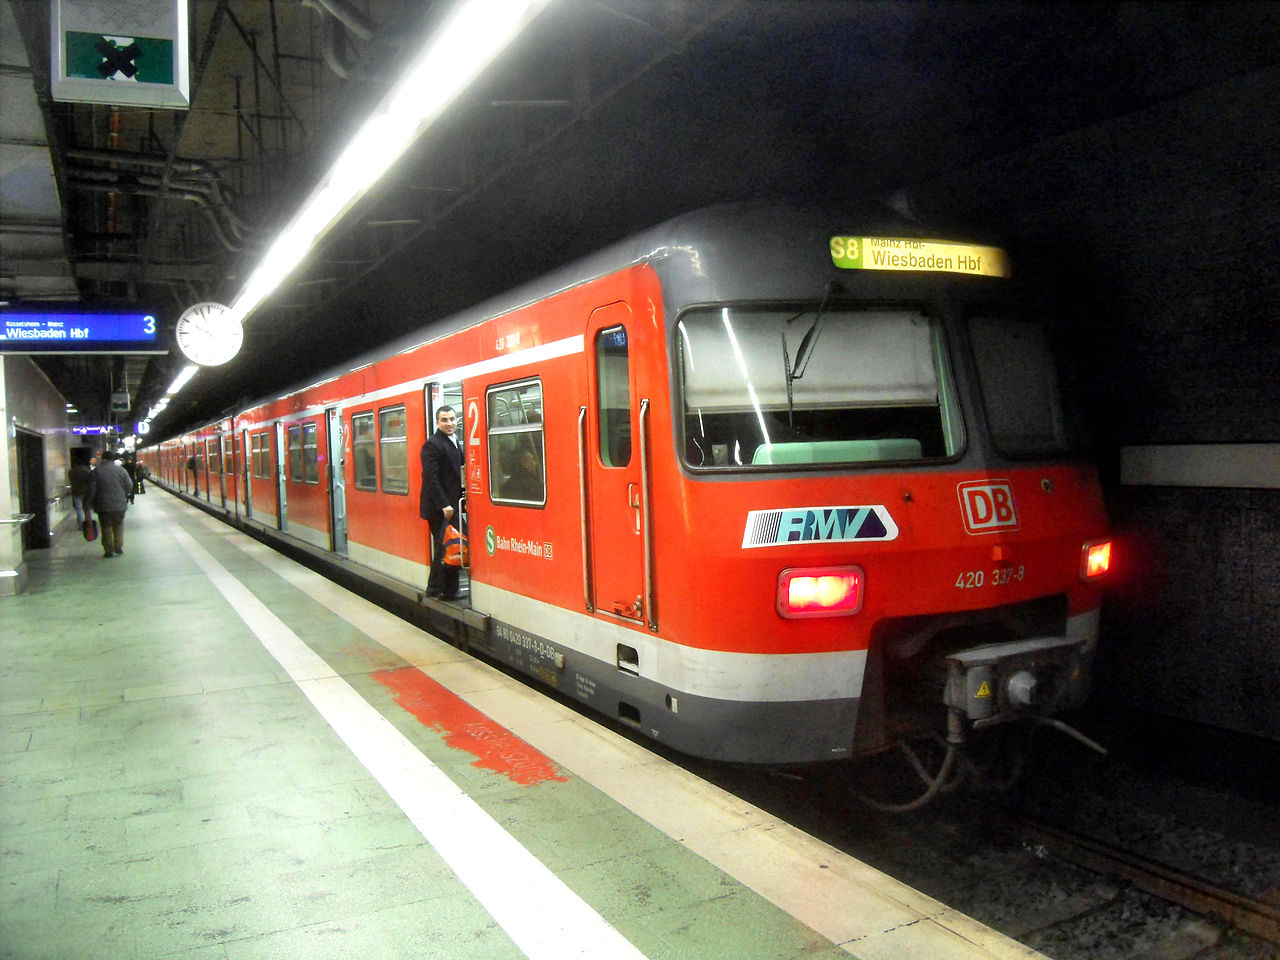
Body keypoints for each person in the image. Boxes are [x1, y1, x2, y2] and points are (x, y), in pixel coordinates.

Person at [419, 405, 463, 600]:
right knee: (448, 546)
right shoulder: (433, 444)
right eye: (444, 420)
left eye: (452, 419)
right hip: (440, 507)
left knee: (448, 546)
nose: (449, 423)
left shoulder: (454, 441)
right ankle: (444, 590)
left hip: (452, 504)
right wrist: (444, 504)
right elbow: (431, 478)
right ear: (437, 422)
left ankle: (440, 589)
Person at [85, 450, 133, 558]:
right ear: (113, 459)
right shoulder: (121, 470)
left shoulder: (96, 472)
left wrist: (88, 503)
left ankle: (109, 550)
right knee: (119, 525)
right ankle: (118, 547)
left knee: (106, 527)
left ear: (103, 459)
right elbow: (129, 485)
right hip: (120, 505)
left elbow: (91, 490)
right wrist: (123, 495)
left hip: (103, 505)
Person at [69, 452, 92, 527]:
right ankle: (88, 524)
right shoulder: (87, 471)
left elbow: (71, 480)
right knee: (87, 509)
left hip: (76, 492)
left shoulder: (71, 471)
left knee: (78, 509)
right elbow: (90, 482)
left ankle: (80, 524)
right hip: (86, 492)